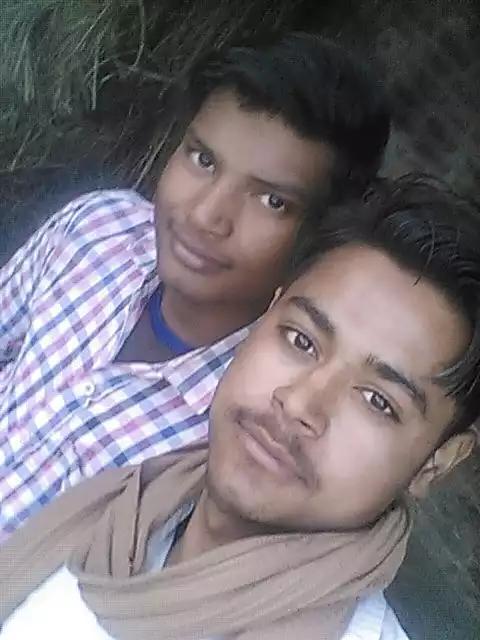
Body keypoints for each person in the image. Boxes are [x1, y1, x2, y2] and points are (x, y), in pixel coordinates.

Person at [1, 175, 479, 640]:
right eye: (301, 340)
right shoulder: (115, 512)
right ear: (264, 318)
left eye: (378, 401)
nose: (298, 402)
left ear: (438, 461)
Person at [0, 33, 390, 537]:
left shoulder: (256, 434)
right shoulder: (96, 230)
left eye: (272, 201)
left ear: (317, 232)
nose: (206, 215)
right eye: (203, 160)